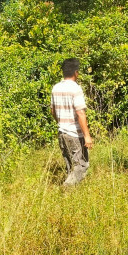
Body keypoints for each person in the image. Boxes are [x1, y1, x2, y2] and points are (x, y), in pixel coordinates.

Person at [51, 57, 94, 185]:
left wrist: (61, 123)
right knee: (82, 165)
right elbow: (80, 112)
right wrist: (87, 136)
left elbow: (52, 111)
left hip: (62, 133)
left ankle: (71, 196)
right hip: (74, 134)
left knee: (70, 166)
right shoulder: (76, 88)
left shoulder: (56, 88)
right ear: (76, 72)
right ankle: (67, 188)